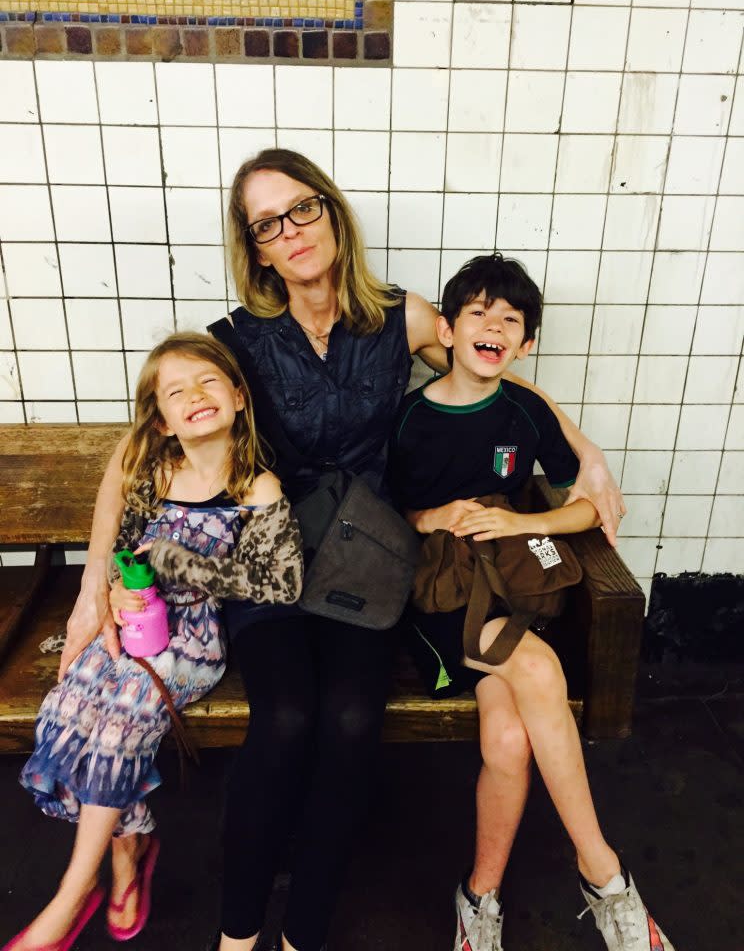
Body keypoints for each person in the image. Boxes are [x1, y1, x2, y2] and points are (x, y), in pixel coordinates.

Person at [55, 149, 625, 951]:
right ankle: (239, 934)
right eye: (267, 223)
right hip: (270, 556)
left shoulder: (397, 316)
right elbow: (131, 459)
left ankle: (303, 935)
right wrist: (90, 595)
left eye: (303, 208)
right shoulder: (236, 340)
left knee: (353, 719)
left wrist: (586, 454)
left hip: (370, 556)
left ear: (330, 212)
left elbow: (490, 369)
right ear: (254, 247)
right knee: (286, 718)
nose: (290, 231)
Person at [390, 253, 675, 951]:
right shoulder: (409, 419)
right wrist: (431, 518)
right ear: (447, 331)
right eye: (478, 314)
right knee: (542, 673)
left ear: (526, 343)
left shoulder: (524, 409)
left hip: (507, 587)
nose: (493, 327)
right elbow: (383, 516)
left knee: (509, 737)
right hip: (439, 600)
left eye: (510, 321)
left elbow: (587, 507)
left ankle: (478, 897)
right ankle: (604, 873)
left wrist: (523, 522)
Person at [2, 333, 302, 951]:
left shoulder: (256, 488)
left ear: (240, 398)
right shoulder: (152, 470)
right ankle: (127, 850)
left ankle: (71, 893)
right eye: (176, 390)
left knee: (121, 725)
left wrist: (182, 562)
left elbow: (283, 582)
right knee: (70, 706)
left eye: (209, 381)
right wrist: (114, 587)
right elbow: (122, 552)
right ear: (163, 421)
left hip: (191, 640)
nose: (195, 395)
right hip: (139, 620)